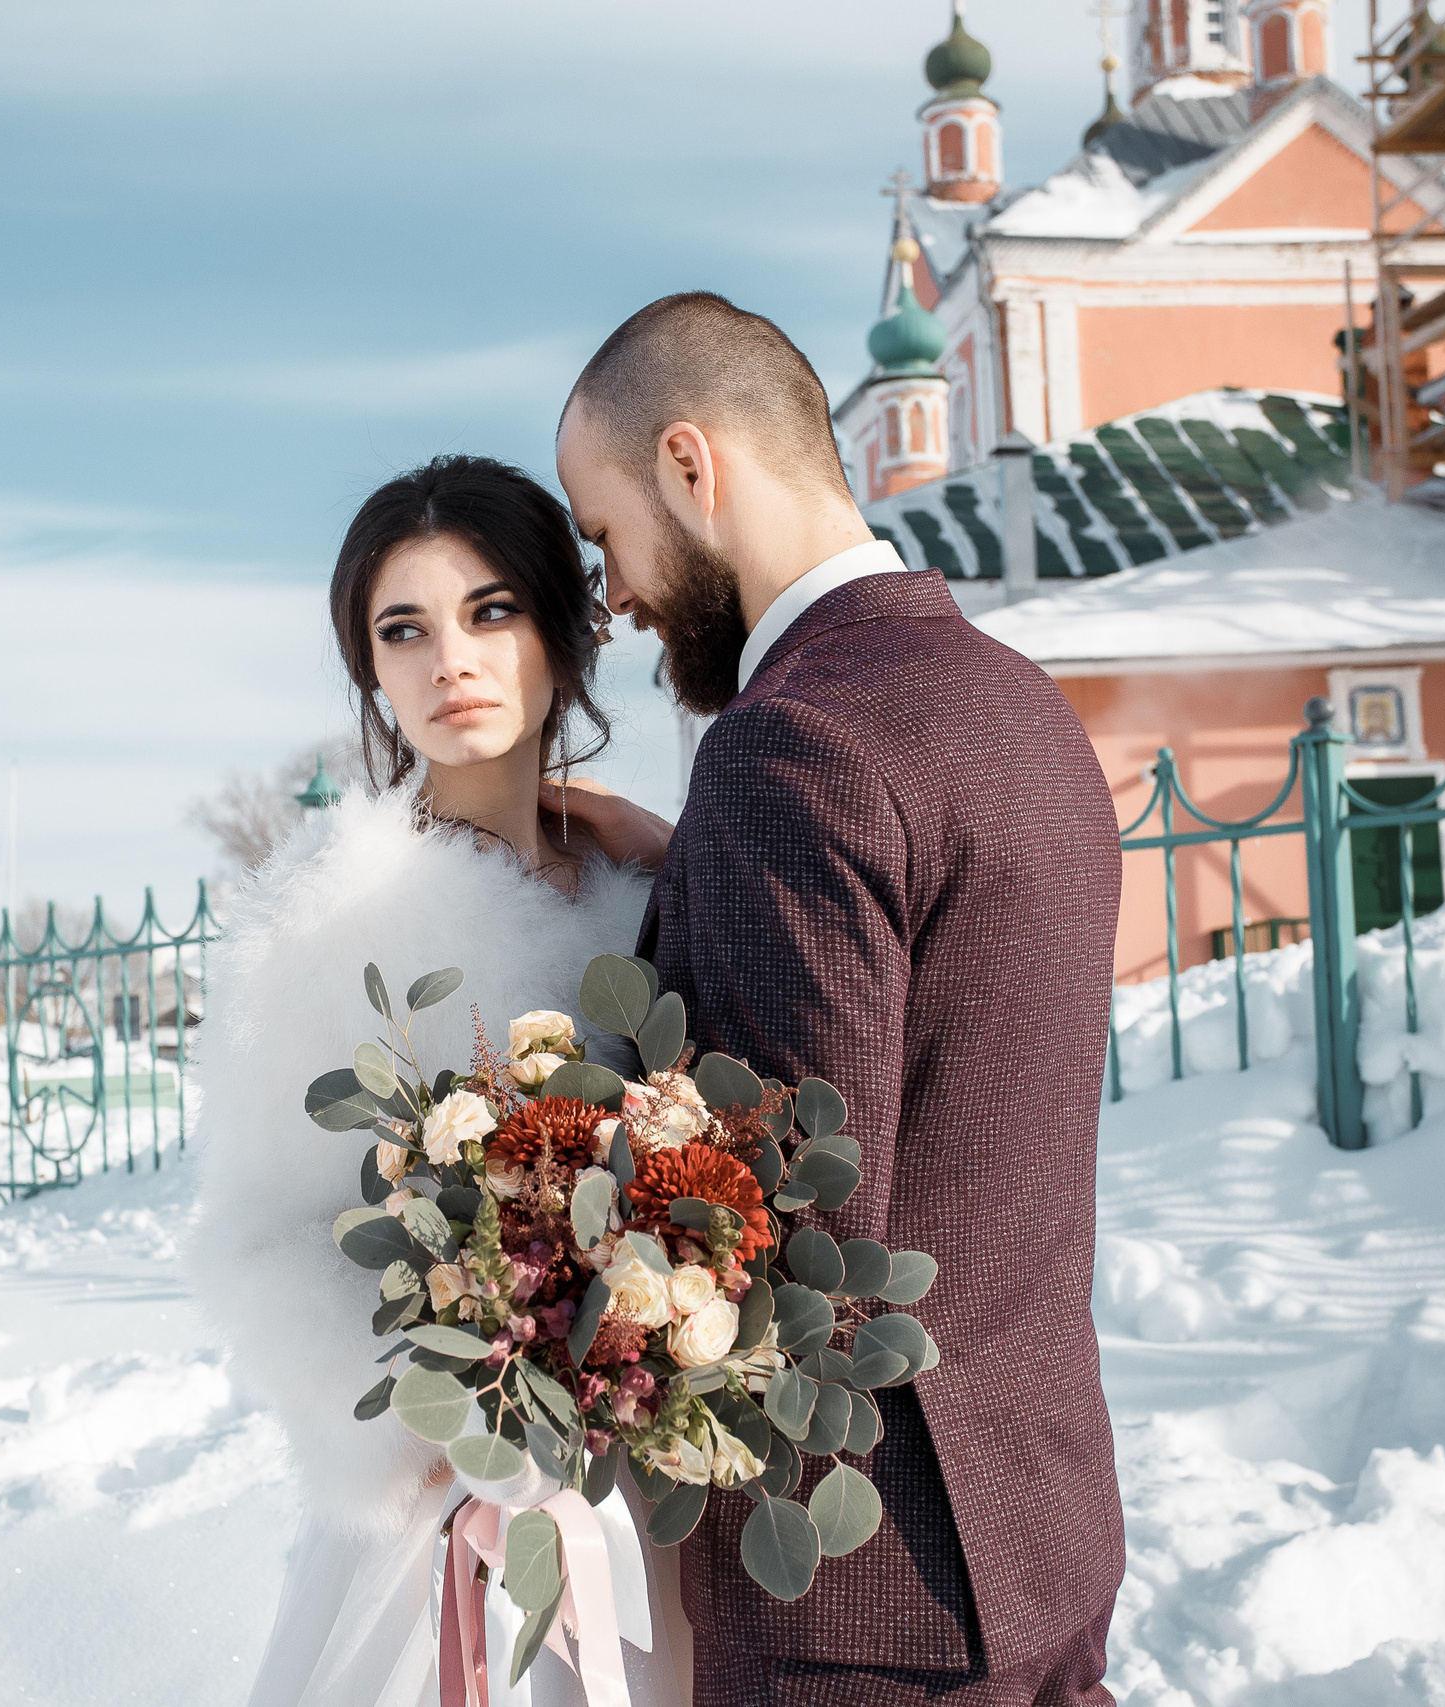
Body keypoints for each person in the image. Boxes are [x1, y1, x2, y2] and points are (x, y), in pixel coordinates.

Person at [550, 294, 1126, 1707]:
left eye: (602, 530)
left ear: (691, 463)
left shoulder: (785, 746)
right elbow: (937, 1060)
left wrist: (527, 1193)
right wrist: (694, 870)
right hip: (1042, 1526)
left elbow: (780, 1222)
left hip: (857, 1604)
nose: (611, 591)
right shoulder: (1018, 705)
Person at [189, 454, 694, 1707]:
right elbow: (259, 1235)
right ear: (369, 669)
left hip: (654, 1488)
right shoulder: (335, 913)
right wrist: (430, 1433)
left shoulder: (638, 902)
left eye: (489, 611)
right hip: (445, 1501)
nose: (447, 662)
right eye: (400, 629)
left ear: (565, 634)